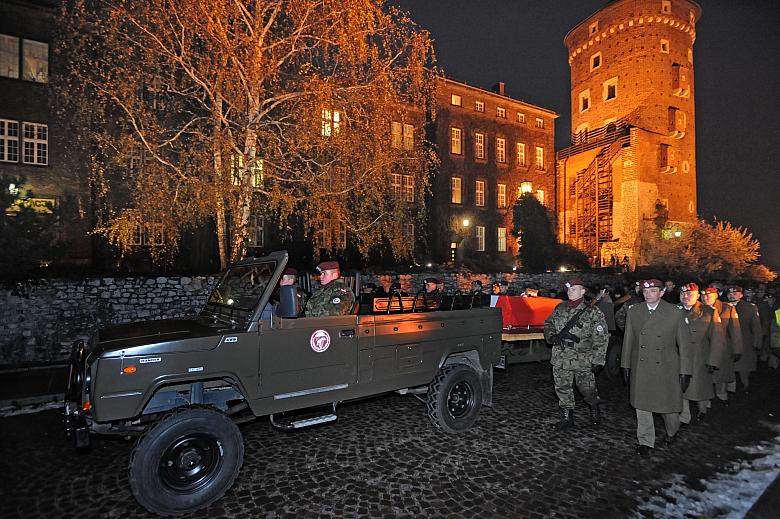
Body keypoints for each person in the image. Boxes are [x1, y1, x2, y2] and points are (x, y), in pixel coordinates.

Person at [620, 279, 690, 456]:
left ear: (661, 293)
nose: (648, 294)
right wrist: (625, 365)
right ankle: (645, 441)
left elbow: (685, 345)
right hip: (641, 366)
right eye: (645, 291)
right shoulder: (634, 311)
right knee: (641, 406)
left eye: (652, 291)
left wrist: (685, 371)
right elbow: (628, 340)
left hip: (666, 367)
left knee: (669, 408)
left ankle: (672, 431)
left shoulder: (675, 312)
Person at [543, 277, 609, 429]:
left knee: (586, 388)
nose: (570, 292)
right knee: (562, 387)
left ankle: (594, 406)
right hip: (560, 356)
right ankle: (567, 417)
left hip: (583, 357)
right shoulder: (560, 308)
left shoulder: (593, 312)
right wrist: (551, 336)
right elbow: (548, 324)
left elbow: (601, 337)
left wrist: (599, 360)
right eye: (569, 289)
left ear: (583, 291)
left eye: (574, 289)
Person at [677, 282, 723, 425]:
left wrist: (713, 360)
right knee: (680, 387)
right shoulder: (674, 310)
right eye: (682, 293)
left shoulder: (708, 311)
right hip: (678, 356)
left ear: (697, 295)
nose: (685, 296)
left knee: (699, 388)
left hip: (699, 357)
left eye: (689, 294)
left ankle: (702, 409)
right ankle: (684, 415)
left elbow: (717, 338)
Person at [701, 286, 743, 406]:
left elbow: (735, 330)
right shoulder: (698, 308)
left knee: (721, 375)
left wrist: (737, 349)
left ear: (716, 296)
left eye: (708, 295)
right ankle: (706, 399)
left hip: (723, 347)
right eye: (703, 295)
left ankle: (722, 395)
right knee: (705, 375)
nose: (705, 298)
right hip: (704, 347)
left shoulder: (726, 308)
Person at [727, 285, 762, 397]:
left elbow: (756, 327)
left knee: (744, 368)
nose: (732, 296)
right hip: (728, 342)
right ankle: (731, 390)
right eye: (730, 294)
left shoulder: (749, 307)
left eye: (735, 293)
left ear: (741, 295)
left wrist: (757, 343)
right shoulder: (723, 307)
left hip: (745, 342)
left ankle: (745, 386)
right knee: (729, 367)